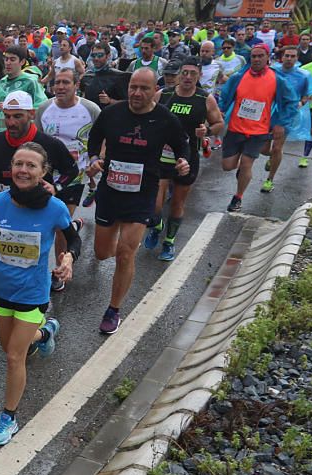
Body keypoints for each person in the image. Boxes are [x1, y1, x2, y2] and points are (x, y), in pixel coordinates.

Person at [0, 143, 80, 446]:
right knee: (13, 347)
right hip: (2, 289)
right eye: (19, 164)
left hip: (33, 292)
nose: (23, 170)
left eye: (31, 165)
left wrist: (68, 258)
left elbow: (73, 238)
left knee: (14, 356)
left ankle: (9, 418)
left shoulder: (54, 208)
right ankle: (44, 335)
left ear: (43, 172)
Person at [86, 68, 190, 334]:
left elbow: (182, 144)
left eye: (144, 88)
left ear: (155, 89)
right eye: (133, 87)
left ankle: (114, 309)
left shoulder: (164, 119)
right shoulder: (112, 113)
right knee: (101, 253)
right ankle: (120, 235)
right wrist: (95, 158)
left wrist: (183, 160)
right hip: (110, 191)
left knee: (125, 253)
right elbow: (94, 139)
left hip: (142, 193)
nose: (137, 93)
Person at [145, 57, 224, 262]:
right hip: (162, 156)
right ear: (179, 74)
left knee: (178, 203)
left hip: (187, 157)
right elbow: (146, 114)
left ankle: (169, 241)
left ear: (199, 76)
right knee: (155, 202)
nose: (188, 77)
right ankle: (157, 225)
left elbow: (219, 124)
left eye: (193, 74)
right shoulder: (164, 94)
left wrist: (206, 131)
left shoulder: (205, 99)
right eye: (185, 73)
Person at [37, 70, 100, 289]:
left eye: (65, 83)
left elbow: (101, 137)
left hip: (75, 175)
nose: (60, 87)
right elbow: (37, 141)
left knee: (58, 225)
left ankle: (58, 270)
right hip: (47, 176)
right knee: (54, 222)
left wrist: (96, 160)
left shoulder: (91, 109)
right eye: (57, 83)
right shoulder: (44, 109)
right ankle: (73, 226)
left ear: (76, 85)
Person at [220, 44, 299, 211]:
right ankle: (241, 172)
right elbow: (225, 93)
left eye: (260, 56)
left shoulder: (277, 79)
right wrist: (220, 109)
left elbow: (291, 101)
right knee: (227, 165)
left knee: (247, 163)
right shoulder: (239, 77)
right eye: (253, 56)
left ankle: (238, 197)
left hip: (259, 131)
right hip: (236, 128)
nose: (256, 59)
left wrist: (280, 123)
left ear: (267, 57)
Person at [261, 46, 312, 191]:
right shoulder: (272, 71)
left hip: (288, 115)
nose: (289, 59)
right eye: (287, 56)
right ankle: (272, 158)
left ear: (297, 58)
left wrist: (301, 102)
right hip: (268, 113)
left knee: (277, 147)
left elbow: (307, 94)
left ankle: (269, 180)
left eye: (293, 56)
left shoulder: (304, 75)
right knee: (263, 149)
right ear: (282, 57)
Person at [0, 46, 47, 133]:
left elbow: (41, 105)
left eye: (12, 59)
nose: (8, 63)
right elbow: (0, 104)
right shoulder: (2, 81)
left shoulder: (30, 81)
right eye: (6, 59)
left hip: (21, 132)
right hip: (0, 131)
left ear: (22, 62)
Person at [80, 41, 131, 109]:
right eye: (93, 55)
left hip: (110, 116)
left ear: (108, 56)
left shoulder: (119, 76)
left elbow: (129, 103)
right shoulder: (87, 76)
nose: (96, 59)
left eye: (100, 55)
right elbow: (83, 98)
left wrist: (110, 101)